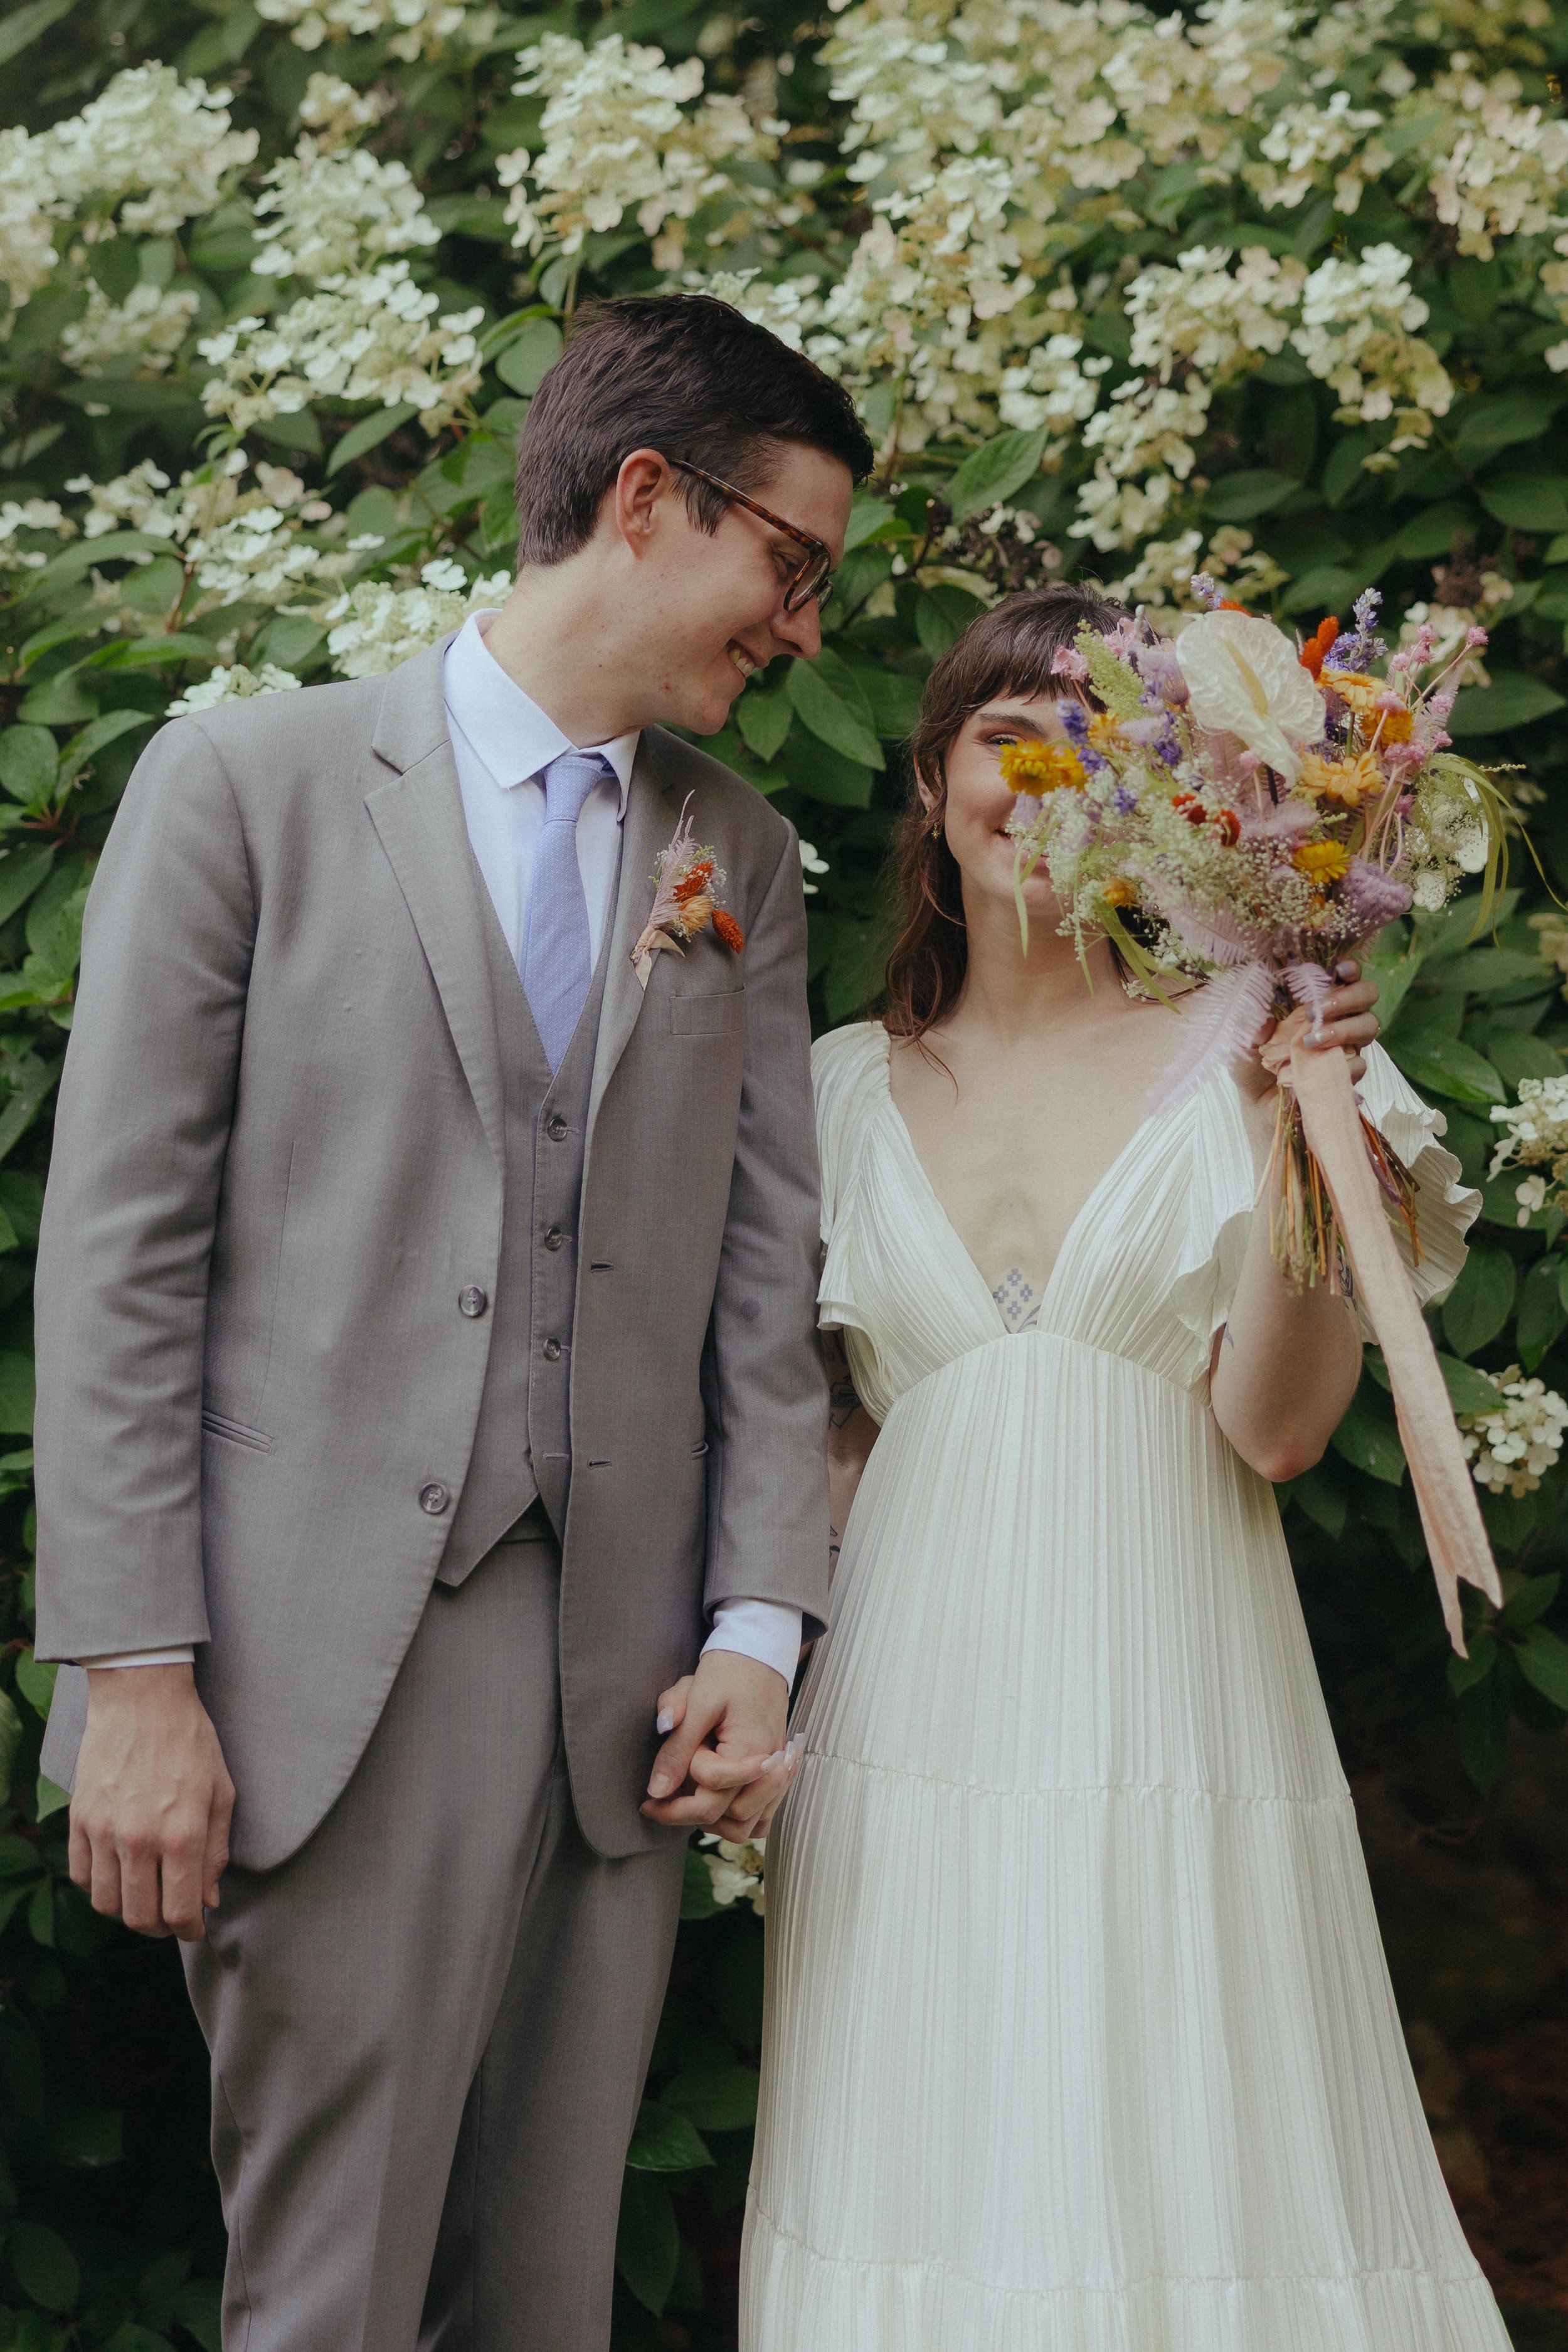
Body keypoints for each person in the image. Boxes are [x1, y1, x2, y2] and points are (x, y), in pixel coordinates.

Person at [33, 292, 873, 2352]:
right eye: (793, 564)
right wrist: (135, 1675)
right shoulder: (244, 785)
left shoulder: (739, 860)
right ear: (648, 499)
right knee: (325, 2302)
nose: (804, 629)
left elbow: (767, 1283)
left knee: (547, 2301)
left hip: (623, 1697)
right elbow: (120, 1249)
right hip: (311, 1680)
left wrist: (759, 1637)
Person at [739, 584, 1512, 2348]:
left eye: (1107, 742)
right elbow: (810, 1434)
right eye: (1014, 736)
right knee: (926, 2159)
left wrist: (1303, 1136)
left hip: (1172, 1692)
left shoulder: (1246, 1060)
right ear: (932, 778)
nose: (1051, 776)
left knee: (1191, 2138)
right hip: (909, 1718)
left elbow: (1279, 1426)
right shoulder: (827, 1090)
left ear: (1178, 802)